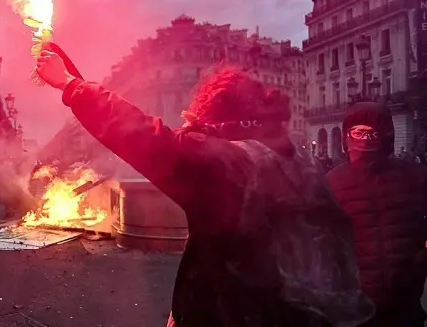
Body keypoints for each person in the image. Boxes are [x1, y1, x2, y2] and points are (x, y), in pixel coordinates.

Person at [35, 50, 373, 327]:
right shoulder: (297, 159)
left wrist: (69, 84)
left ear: (215, 118)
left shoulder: (228, 165)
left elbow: (141, 136)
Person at [327, 102, 427, 327]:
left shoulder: (415, 175)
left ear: (386, 135)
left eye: (373, 133)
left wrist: (422, 258)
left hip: (406, 302)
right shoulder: (333, 182)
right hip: (357, 305)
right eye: (359, 132)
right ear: (347, 135)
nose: (366, 139)